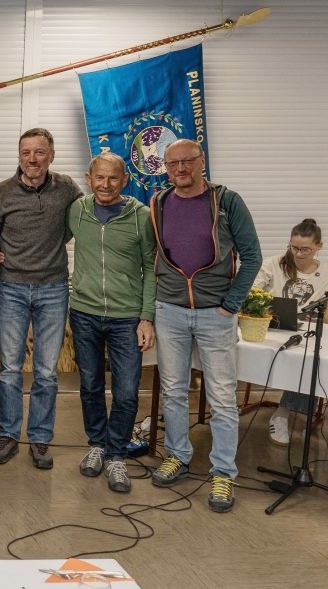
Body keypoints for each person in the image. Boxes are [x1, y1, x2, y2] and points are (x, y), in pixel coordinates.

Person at [149, 138, 261, 513]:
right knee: (173, 391)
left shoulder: (227, 201)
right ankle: (178, 455)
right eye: (173, 163)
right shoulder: (159, 203)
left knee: (222, 398)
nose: (181, 168)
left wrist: (232, 303)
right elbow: (154, 254)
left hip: (217, 314)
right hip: (170, 311)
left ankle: (223, 472)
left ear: (202, 162)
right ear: (166, 169)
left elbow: (252, 255)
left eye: (188, 161)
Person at [0, 128, 82, 469]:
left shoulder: (68, 189)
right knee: (10, 369)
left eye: (40, 152)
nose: (32, 159)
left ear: (51, 155)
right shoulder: (0, 193)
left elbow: (76, 226)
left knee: (46, 371)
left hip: (53, 288)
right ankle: (8, 435)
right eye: (26, 152)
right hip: (11, 288)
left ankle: (40, 438)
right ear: (19, 155)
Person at [66, 153, 156, 493]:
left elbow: (151, 269)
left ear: (125, 180)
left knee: (127, 390)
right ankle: (97, 445)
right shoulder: (77, 210)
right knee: (90, 385)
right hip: (84, 312)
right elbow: (47, 239)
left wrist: (146, 316)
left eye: (113, 178)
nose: (105, 185)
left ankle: (117, 455)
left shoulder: (142, 217)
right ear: (88, 178)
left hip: (126, 317)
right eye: (99, 177)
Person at [252, 218, 325, 446]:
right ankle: (287, 413)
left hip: (309, 333)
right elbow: (252, 292)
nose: (298, 254)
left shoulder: (325, 272)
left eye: (305, 249)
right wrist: (262, 306)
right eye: (294, 248)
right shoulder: (274, 264)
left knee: (311, 359)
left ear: (319, 246)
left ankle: (283, 412)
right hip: (274, 328)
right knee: (302, 358)